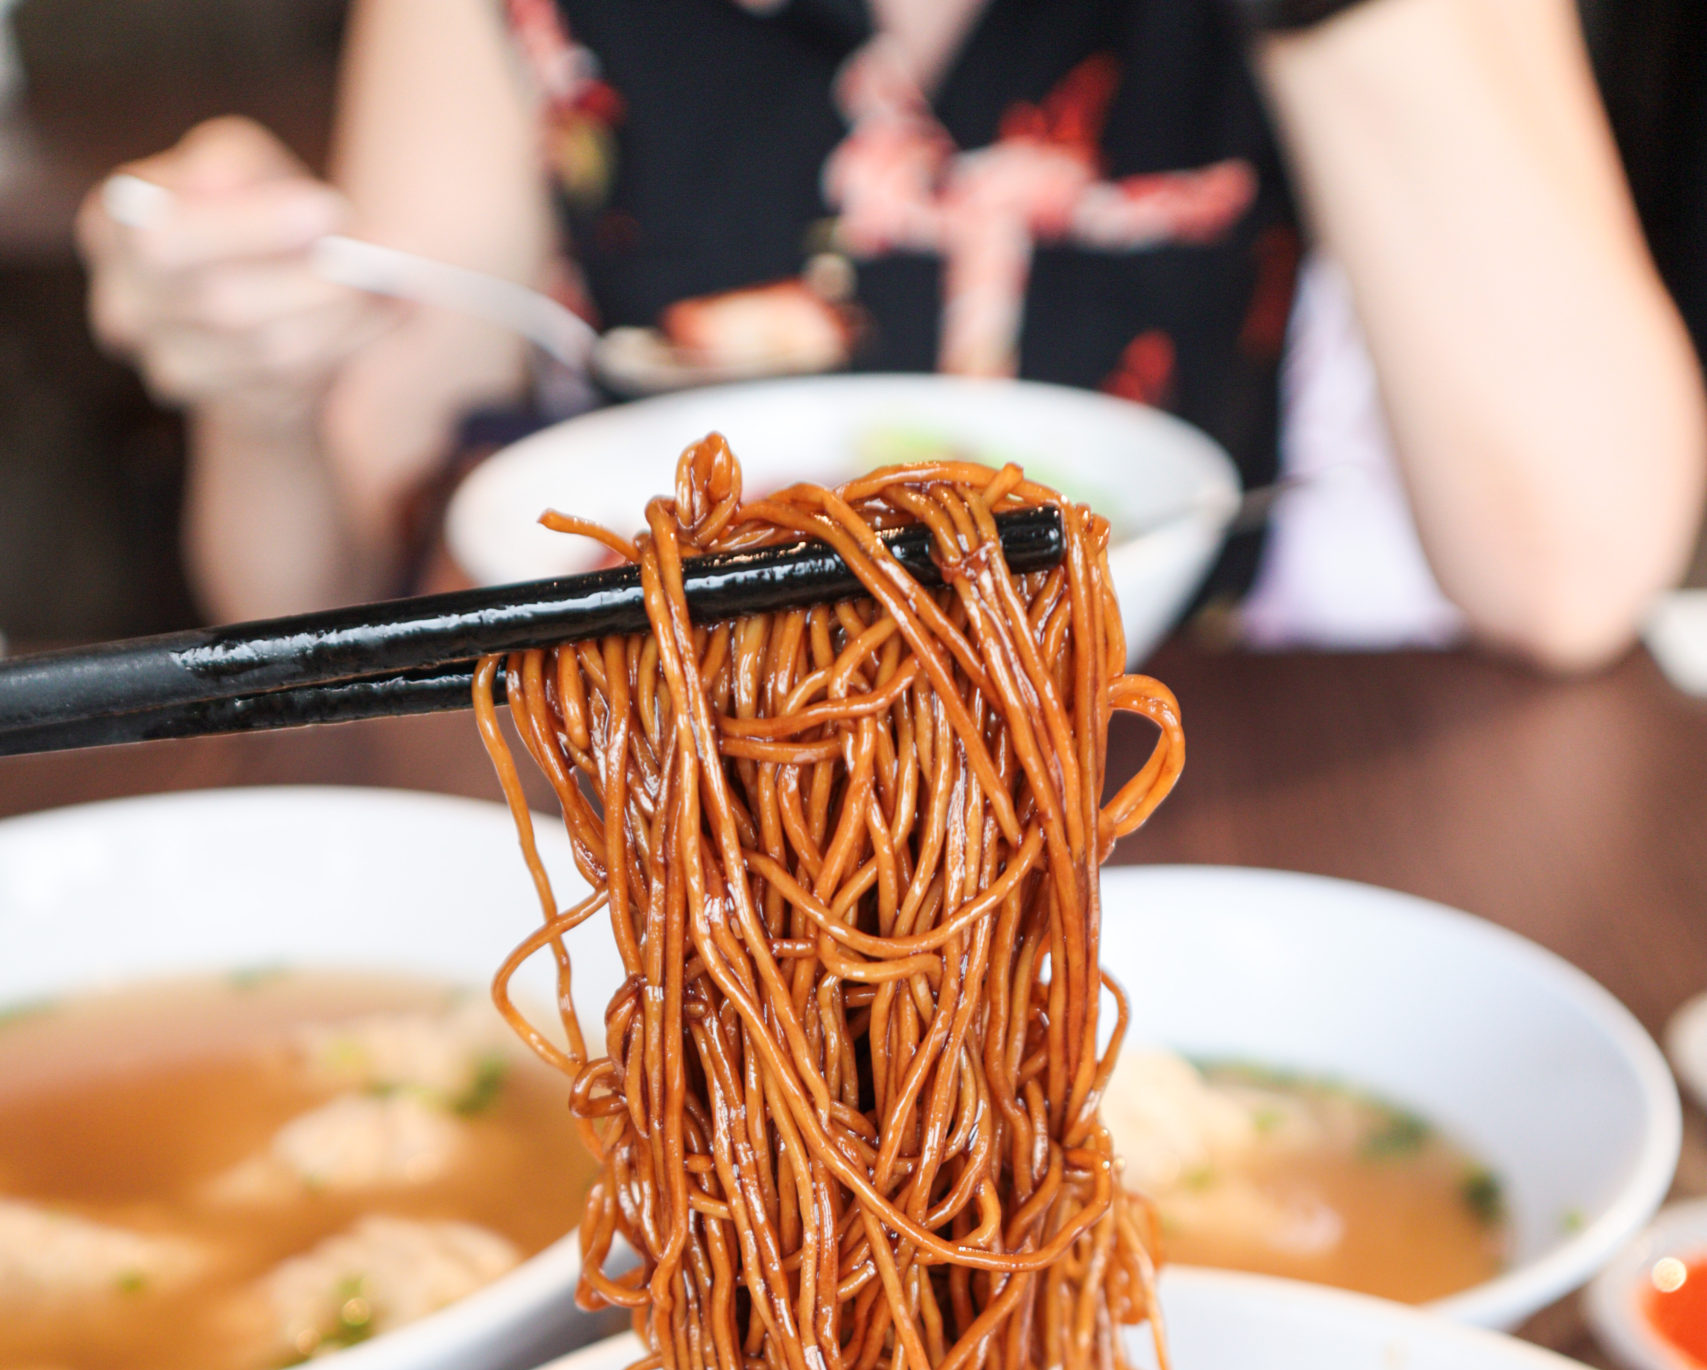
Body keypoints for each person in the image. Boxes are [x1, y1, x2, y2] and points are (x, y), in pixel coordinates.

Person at [76, 0, 1707, 670]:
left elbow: (1573, 569)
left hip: (1177, 821)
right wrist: (257, 378)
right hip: (658, 831)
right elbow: (311, 608)